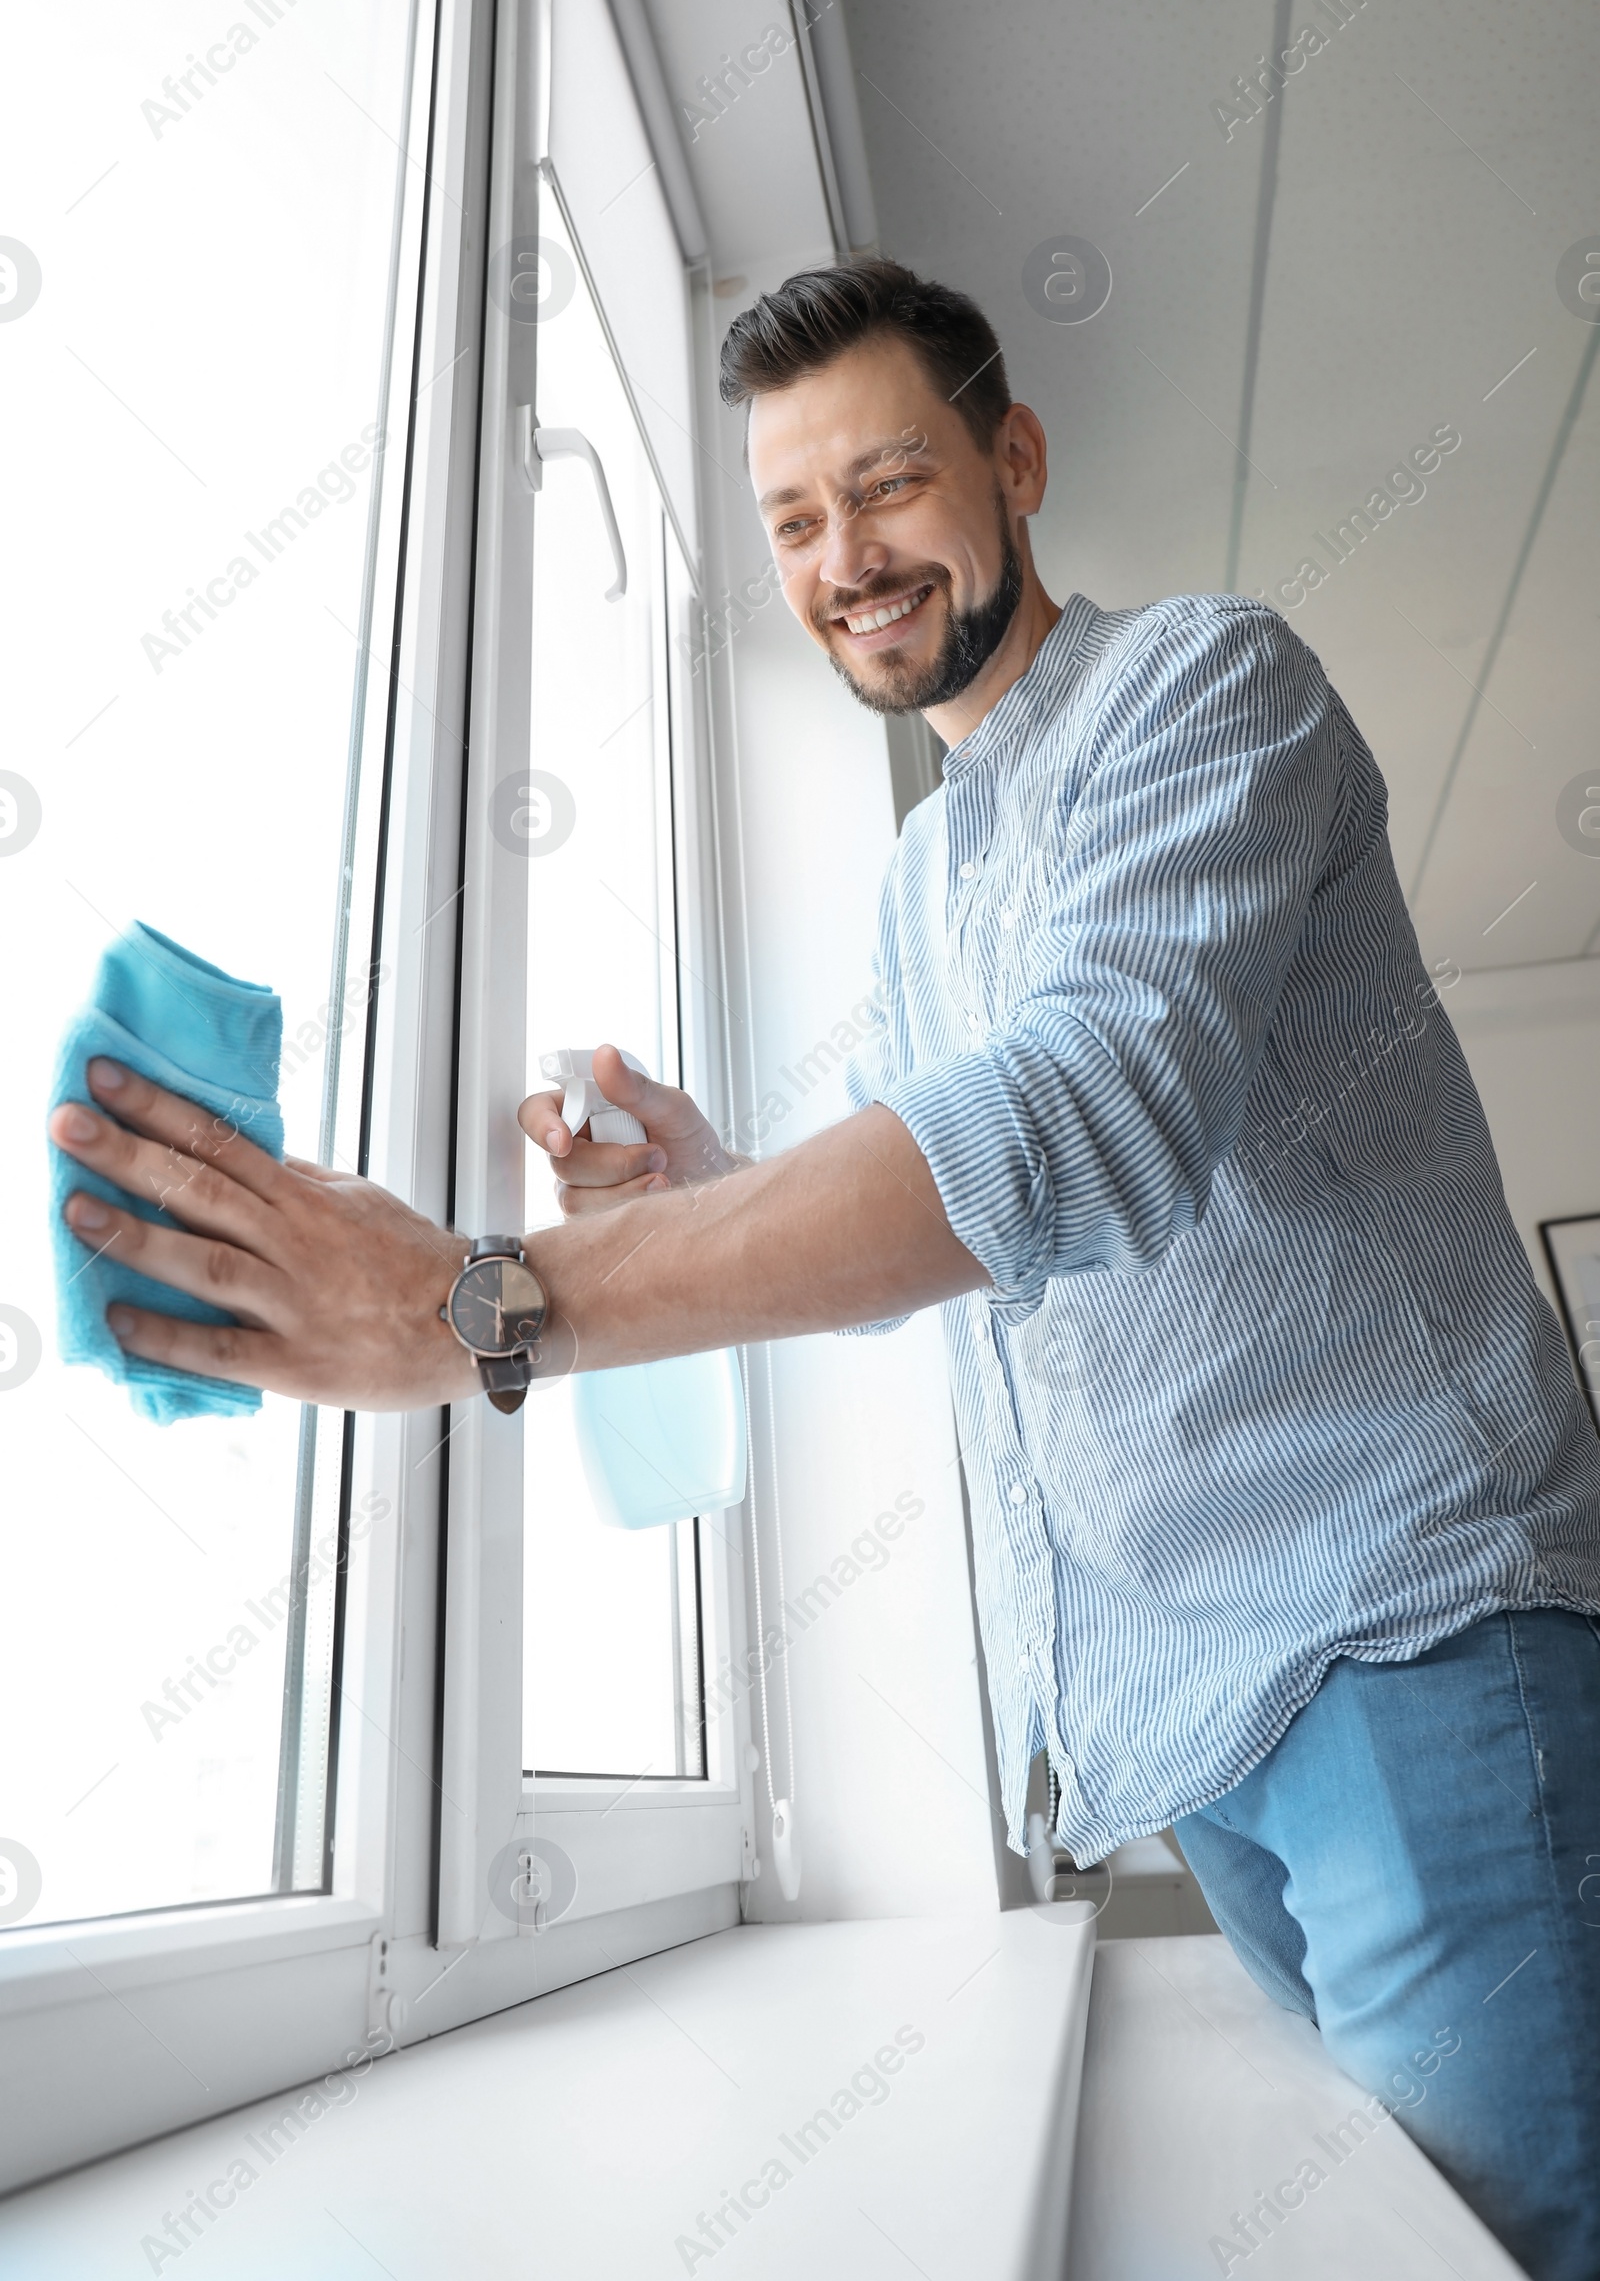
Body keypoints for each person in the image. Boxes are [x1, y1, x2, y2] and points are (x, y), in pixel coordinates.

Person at [51, 261, 1600, 2278]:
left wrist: (488, 1303)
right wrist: (700, 1179)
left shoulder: (1204, 688)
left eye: (883, 486)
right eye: (790, 519)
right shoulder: (921, 885)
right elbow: (951, 1249)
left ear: (1011, 463)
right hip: (1192, 1742)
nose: (842, 559)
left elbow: (1076, 1125)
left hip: (1405, 1647)